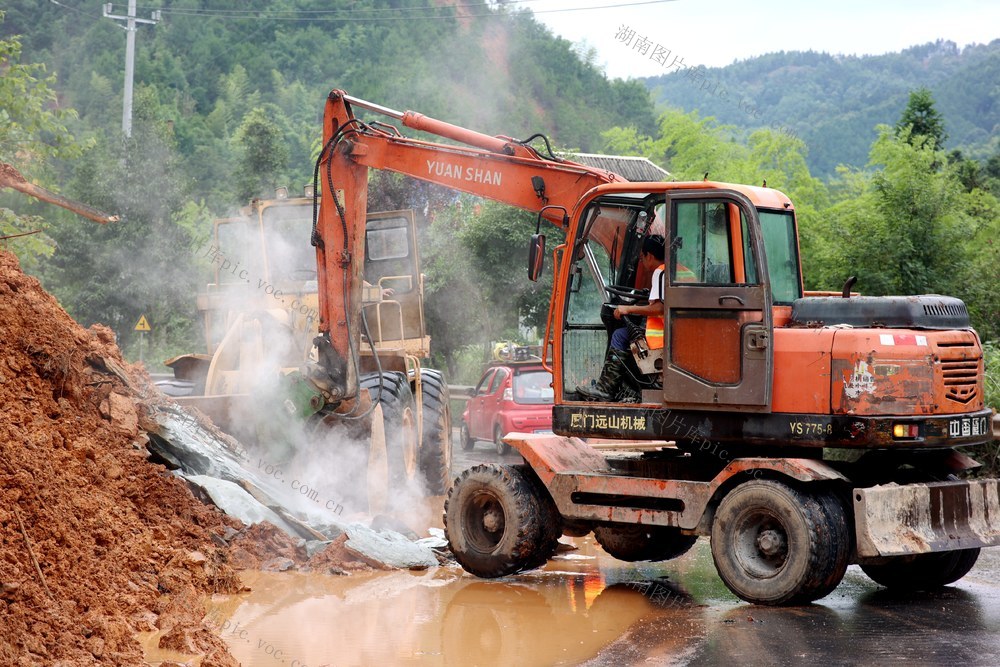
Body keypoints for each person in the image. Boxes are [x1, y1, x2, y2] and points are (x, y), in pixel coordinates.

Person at [577, 234, 667, 402]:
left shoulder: (661, 273)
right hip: (677, 334)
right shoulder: (681, 271)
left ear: (650, 256)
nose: (642, 262)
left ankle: (605, 389)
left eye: (642, 258)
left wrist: (628, 308)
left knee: (620, 335)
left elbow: (660, 308)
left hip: (662, 338)